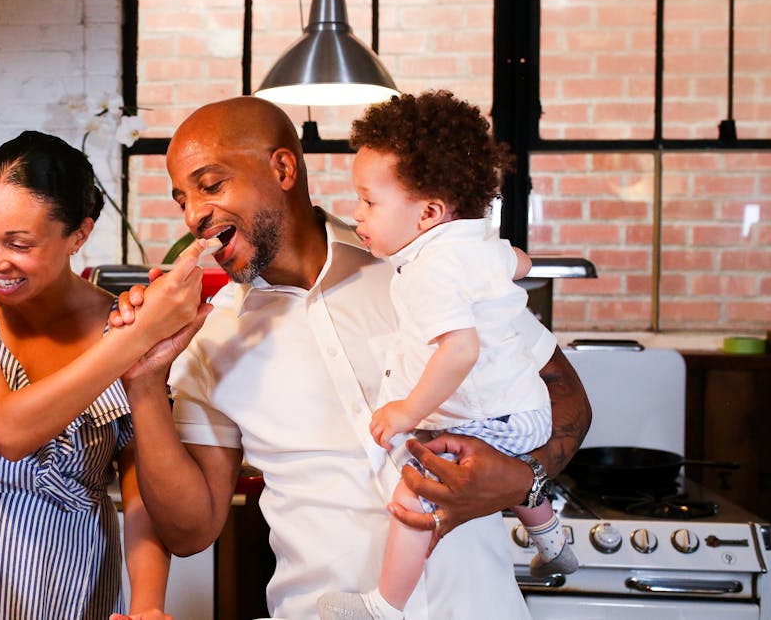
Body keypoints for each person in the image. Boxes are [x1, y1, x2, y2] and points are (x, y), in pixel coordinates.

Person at [112, 96, 591, 619]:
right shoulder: (212, 338)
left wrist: (525, 478)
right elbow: (190, 530)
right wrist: (143, 379)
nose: (192, 215)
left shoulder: (423, 261)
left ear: (283, 168)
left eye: (210, 185)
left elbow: (565, 396)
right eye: (181, 198)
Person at [0, 130, 210, 619]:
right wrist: (134, 339)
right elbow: (7, 430)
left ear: (79, 235)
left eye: (19, 243)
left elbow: (140, 493)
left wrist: (148, 605)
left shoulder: (121, 320)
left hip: (79, 576)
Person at [314, 91, 578, 620]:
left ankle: (385, 605)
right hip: (526, 412)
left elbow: (459, 350)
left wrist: (406, 411)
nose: (357, 214)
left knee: (415, 493)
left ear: (429, 211)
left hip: (494, 416)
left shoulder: (429, 272)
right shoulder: (475, 245)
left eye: (369, 201)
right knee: (513, 471)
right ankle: (551, 539)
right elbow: (518, 260)